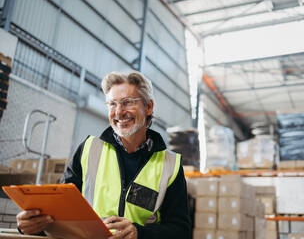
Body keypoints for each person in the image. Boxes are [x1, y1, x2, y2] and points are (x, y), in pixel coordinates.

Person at [16, 71, 192, 239]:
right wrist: (33, 225)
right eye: (112, 104)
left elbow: (181, 231)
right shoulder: (89, 149)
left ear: (148, 107)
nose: (119, 112)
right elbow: (59, 214)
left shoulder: (170, 164)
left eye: (128, 102)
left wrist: (140, 234)